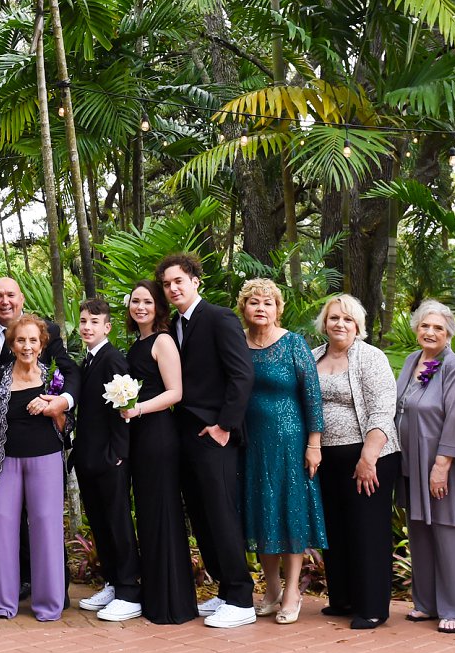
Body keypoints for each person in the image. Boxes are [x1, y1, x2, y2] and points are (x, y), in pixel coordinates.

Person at [156, 253, 255, 630]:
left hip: (215, 436)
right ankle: (226, 590)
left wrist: (224, 427)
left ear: (196, 280)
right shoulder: (175, 327)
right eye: (167, 284)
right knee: (200, 515)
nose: (173, 288)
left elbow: (241, 375)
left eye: (179, 281)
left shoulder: (219, 318)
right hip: (185, 435)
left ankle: (242, 598)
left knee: (221, 513)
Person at [236, 277, 325, 625]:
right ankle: (271, 590)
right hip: (250, 444)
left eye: (267, 302)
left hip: (289, 442)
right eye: (254, 302)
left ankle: (292, 592)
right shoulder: (237, 344)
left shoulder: (293, 344)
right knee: (260, 512)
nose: (261, 308)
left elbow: (312, 396)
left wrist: (314, 444)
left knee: (288, 513)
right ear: (243, 308)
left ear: (277, 309)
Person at [0, 314, 70, 621]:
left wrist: (52, 408)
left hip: (46, 460)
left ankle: (49, 604)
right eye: (20, 340)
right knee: (1, 527)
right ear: (12, 344)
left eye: (33, 341)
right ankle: (2, 603)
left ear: (42, 345)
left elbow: (67, 428)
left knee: (46, 528)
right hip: (4, 461)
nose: (27, 346)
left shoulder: (55, 378)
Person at [312, 293, 402, 630]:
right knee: (336, 528)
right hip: (327, 459)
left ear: (358, 325)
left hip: (371, 456)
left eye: (348, 319)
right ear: (325, 322)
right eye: (334, 318)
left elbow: (382, 408)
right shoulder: (313, 357)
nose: (340, 324)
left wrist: (368, 458)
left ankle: (373, 607)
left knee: (368, 530)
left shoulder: (371, 358)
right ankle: (344, 599)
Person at [395, 299, 455, 634]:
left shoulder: (452, 364)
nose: (430, 332)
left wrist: (441, 464)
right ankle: (427, 603)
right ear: (416, 328)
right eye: (425, 326)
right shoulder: (412, 361)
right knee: (421, 532)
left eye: (438, 328)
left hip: (442, 465)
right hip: (411, 463)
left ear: (449, 335)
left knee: (450, 532)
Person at [120, 281, 198, 625]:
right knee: (149, 514)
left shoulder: (163, 341)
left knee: (163, 511)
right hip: (138, 436)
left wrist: (136, 409)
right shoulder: (136, 343)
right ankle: (154, 595)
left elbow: (175, 392)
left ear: (158, 307)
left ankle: (172, 602)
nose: (140, 307)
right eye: (135, 301)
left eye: (147, 301)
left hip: (158, 435)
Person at [72, 298, 142, 622]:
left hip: (110, 458)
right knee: (99, 522)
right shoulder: (86, 361)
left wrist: (118, 454)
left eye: (94, 322)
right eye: (84, 321)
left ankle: (130, 590)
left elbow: (124, 413)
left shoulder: (113, 360)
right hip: (88, 457)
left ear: (107, 327)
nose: (87, 327)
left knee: (117, 522)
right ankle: (112, 582)